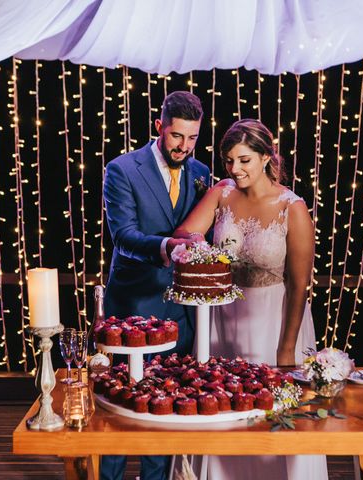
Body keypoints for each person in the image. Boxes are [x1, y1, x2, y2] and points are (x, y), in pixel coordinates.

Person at [174, 118, 328, 479]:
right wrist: (196, 244)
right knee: (220, 402)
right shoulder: (222, 192)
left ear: (265, 157)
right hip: (222, 318)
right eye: (229, 160)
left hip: (272, 318)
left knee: (270, 412)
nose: (235, 169)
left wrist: (287, 348)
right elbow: (184, 232)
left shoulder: (293, 207)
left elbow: (300, 284)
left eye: (244, 160)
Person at [101, 91, 210, 480]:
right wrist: (168, 246)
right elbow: (124, 237)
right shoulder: (122, 169)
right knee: (122, 402)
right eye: (177, 136)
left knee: (167, 402)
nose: (184, 146)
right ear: (159, 127)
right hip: (133, 308)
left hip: (179, 311)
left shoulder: (202, 173)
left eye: (193, 138)